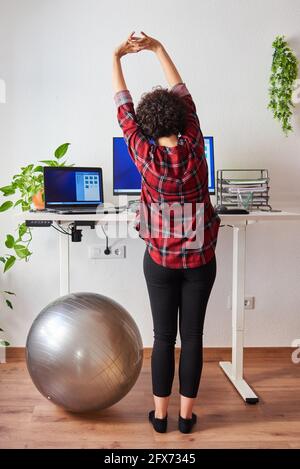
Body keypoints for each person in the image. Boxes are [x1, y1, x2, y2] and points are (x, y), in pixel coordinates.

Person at [112, 32, 221, 433]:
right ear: (181, 117)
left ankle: (159, 417)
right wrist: (157, 49)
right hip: (200, 261)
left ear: (144, 126)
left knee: (163, 338)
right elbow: (183, 93)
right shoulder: (194, 146)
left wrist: (117, 56)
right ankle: (187, 417)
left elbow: (122, 107)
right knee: (192, 336)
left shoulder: (143, 153)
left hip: (159, 260)